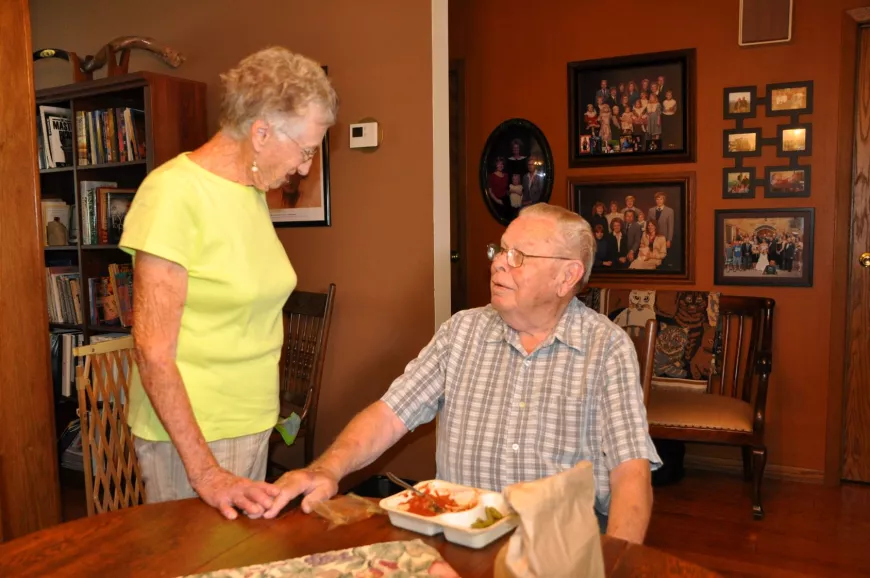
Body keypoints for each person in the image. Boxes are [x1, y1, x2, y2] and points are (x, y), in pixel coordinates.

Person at [263, 204, 662, 544]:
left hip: (557, 548)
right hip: (458, 539)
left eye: (519, 256)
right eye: (501, 250)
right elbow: (390, 414)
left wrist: (617, 562)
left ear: (567, 276)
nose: (498, 263)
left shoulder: (605, 348)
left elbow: (631, 472)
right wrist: (325, 469)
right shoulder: (462, 331)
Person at [119, 46, 338, 520]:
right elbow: (153, 352)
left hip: (249, 424)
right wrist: (206, 473)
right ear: (261, 133)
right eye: (305, 151)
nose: (304, 167)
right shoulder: (173, 193)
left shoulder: (248, 191)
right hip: (196, 441)